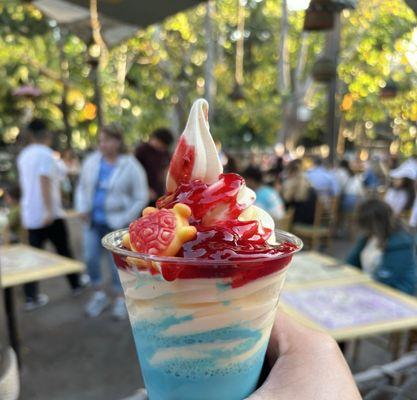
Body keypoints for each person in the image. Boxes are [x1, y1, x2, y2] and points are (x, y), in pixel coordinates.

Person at [76, 124, 149, 320]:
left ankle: (119, 297)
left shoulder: (130, 164)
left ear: (117, 141)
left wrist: (126, 218)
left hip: (116, 223)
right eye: (100, 140)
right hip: (93, 221)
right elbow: (82, 187)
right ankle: (99, 293)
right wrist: (82, 208)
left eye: (107, 140)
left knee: (116, 264)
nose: (103, 144)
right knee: (90, 257)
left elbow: (140, 196)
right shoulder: (92, 162)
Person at [17, 119, 83, 310]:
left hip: (31, 214)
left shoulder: (24, 155)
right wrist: (47, 210)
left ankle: (31, 297)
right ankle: (76, 284)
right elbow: (44, 181)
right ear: (46, 135)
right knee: (64, 250)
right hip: (49, 215)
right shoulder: (46, 154)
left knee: (33, 257)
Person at [347, 199, 416, 295]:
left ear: (374, 225)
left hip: (396, 293)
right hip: (372, 286)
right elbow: (351, 262)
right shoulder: (368, 236)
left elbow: (385, 279)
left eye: (365, 226)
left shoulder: (400, 243)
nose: (363, 230)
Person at [134, 128, 174, 203]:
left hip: (159, 193)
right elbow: (134, 172)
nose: (161, 147)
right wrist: (145, 189)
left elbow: (166, 170)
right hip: (143, 193)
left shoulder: (165, 153)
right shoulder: (142, 151)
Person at [282, 160, 317, 224]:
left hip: (299, 221)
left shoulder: (293, 182)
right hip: (311, 221)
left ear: (291, 171)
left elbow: (286, 198)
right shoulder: (308, 181)